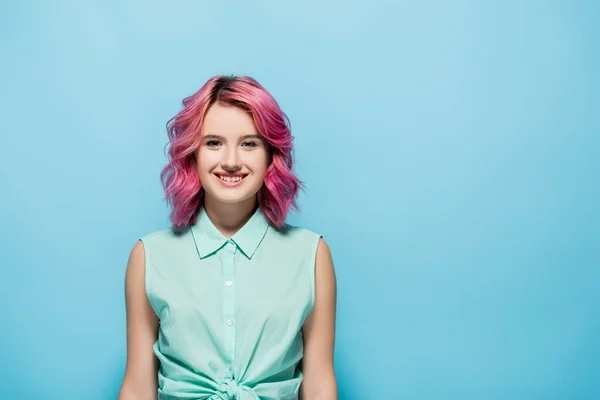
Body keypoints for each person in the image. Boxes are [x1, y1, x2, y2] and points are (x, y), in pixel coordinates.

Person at [118, 75, 338, 400]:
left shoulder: (311, 255)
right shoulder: (149, 256)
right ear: (192, 153)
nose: (231, 162)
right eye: (213, 143)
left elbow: (319, 384)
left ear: (270, 155)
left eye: (249, 143)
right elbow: (138, 386)